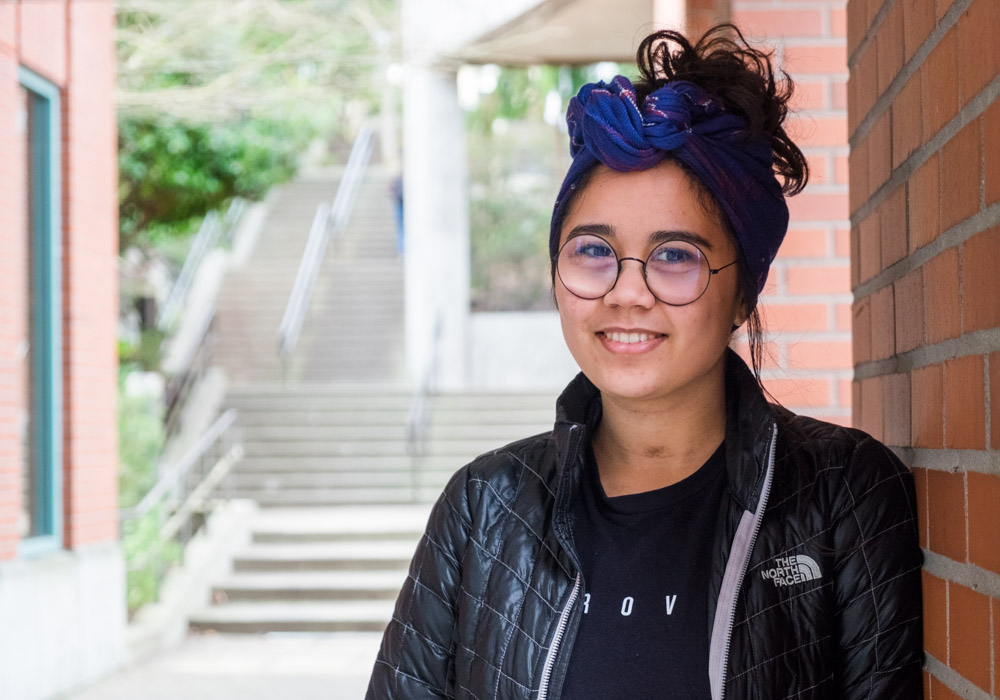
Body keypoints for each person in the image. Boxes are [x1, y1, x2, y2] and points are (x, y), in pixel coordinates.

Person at [367, 23, 922, 700]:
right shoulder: (483, 508)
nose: (627, 293)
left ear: (743, 290)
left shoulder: (843, 495)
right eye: (594, 251)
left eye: (675, 255)